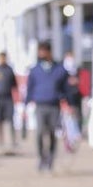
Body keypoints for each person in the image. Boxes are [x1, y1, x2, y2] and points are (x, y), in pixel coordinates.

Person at [25, 41, 69, 172]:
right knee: (39, 133)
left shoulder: (60, 70)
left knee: (51, 133)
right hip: (40, 105)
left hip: (54, 105)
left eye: (43, 51)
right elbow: (29, 88)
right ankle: (41, 157)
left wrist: (69, 104)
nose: (41, 54)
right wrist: (26, 104)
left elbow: (66, 89)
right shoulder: (34, 70)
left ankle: (50, 158)